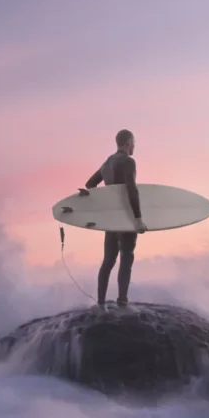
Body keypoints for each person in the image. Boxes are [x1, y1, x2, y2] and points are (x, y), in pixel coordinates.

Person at [82, 129, 147, 307]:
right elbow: (131, 189)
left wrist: (103, 207)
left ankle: (101, 302)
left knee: (108, 260)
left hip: (111, 220)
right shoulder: (128, 162)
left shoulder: (107, 163)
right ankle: (122, 302)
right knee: (127, 257)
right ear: (127, 143)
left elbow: (90, 185)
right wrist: (138, 218)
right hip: (125, 218)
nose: (134, 147)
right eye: (133, 143)